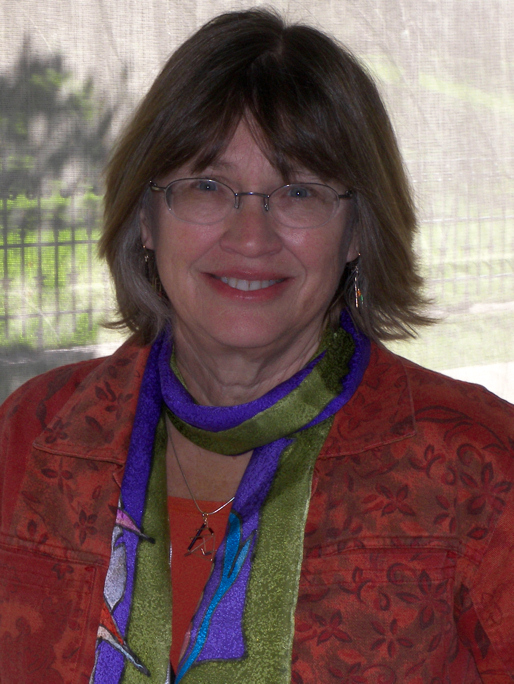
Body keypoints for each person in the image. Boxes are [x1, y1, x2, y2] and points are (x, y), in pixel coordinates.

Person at [1, 8, 513, 683]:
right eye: (207, 186)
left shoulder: (477, 463)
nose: (251, 236)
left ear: (358, 233)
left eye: (298, 191)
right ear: (147, 218)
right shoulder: (32, 436)